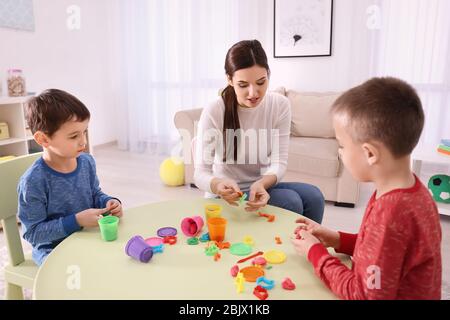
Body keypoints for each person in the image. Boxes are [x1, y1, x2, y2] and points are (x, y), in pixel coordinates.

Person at [291, 77, 442, 299]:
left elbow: (364, 294)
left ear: (370, 153)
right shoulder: (414, 191)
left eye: (341, 145)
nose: (340, 152)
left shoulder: (391, 213)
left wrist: (316, 253)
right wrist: (338, 239)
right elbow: (385, 254)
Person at [194, 39, 324, 223]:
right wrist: (217, 184)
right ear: (229, 80)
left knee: (314, 197)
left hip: (259, 186)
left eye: (261, 82)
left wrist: (262, 183)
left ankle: (310, 248)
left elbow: (279, 162)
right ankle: (283, 249)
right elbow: (200, 174)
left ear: (268, 75)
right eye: (243, 85)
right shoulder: (215, 110)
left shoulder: (280, 105)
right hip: (226, 196)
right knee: (291, 202)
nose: (253, 93)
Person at [18, 89, 123, 266]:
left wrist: (108, 202)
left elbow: (95, 194)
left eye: (84, 132)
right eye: (74, 136)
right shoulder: (33, 181)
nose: (83, 142)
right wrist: (75, 221)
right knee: (75, 279)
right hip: (53, 250)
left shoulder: (86, 162)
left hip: (87, 236)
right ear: (43, 139)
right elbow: (33, 233)